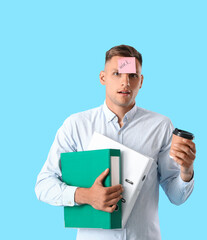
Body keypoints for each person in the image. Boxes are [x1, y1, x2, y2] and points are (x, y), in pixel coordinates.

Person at [35, 45, 196, 240]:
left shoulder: (160, 126)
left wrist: (186, 171)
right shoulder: (76, 125)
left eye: (132, 75)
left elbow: (177, 196)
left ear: (141, 81)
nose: (125, 82)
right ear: (103, 78)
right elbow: (43, 185)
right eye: (117, 73)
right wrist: (86, 196)